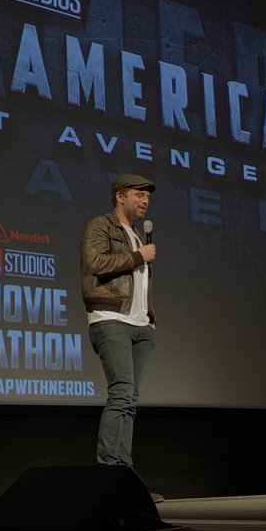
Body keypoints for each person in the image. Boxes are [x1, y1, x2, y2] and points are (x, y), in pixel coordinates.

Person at [80, 173, 158, 479]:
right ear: (120, 197)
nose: (145, 201)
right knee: (121, 394)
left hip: (140, 325)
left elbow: (140, 283)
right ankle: (109, 473)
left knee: (130, 401)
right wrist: (139, 256)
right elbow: (96, 264)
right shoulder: (100, 226)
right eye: (139, 195)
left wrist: (150, 315)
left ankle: (125, 476)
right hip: (111, 319)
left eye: (147, 197)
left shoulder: (137, 235)